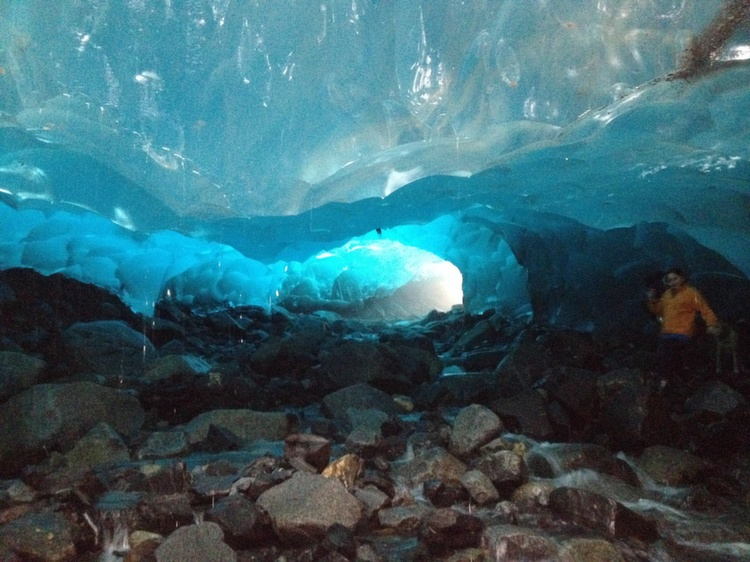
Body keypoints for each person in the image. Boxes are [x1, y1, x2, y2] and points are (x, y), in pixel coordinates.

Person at [646, 267, 721, 389]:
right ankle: (675, 381)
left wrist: (711, 324)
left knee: (668, 354)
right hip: (668, 331)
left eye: (675, 279)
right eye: (669, 280)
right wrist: (651, 300)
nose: (672, 282)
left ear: (682, 278)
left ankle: (665, 383)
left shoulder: (691, 293)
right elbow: (658, 310)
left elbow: (704, 309)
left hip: (683, 331)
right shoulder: (667, 294)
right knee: (671, 355)